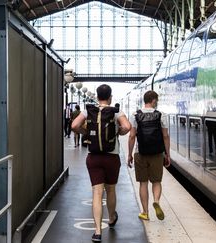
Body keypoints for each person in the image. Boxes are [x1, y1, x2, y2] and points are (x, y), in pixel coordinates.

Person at [72, 84, 131, 242]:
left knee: (97, 193)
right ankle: (111, 218)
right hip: (111, 157)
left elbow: (74, 125)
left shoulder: (88, 110)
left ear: (97, 96)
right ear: (110, 97)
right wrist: (118, 132)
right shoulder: (116, 111)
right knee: (110, 190)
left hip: (94, 157)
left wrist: (86, 133)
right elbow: (127, 126)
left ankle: (97, 232)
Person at [127, 90, 171, 221]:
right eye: (156, 100)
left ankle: (145, 212)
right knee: (156, 181)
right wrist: (167, 154)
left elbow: (132, 136)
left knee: (143, 183)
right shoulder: (161, 115)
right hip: (157, 153)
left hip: (140, 153)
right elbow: (165, 136)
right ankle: (156, 200)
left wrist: (129, 154)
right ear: (153, 101)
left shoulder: (135, 115)